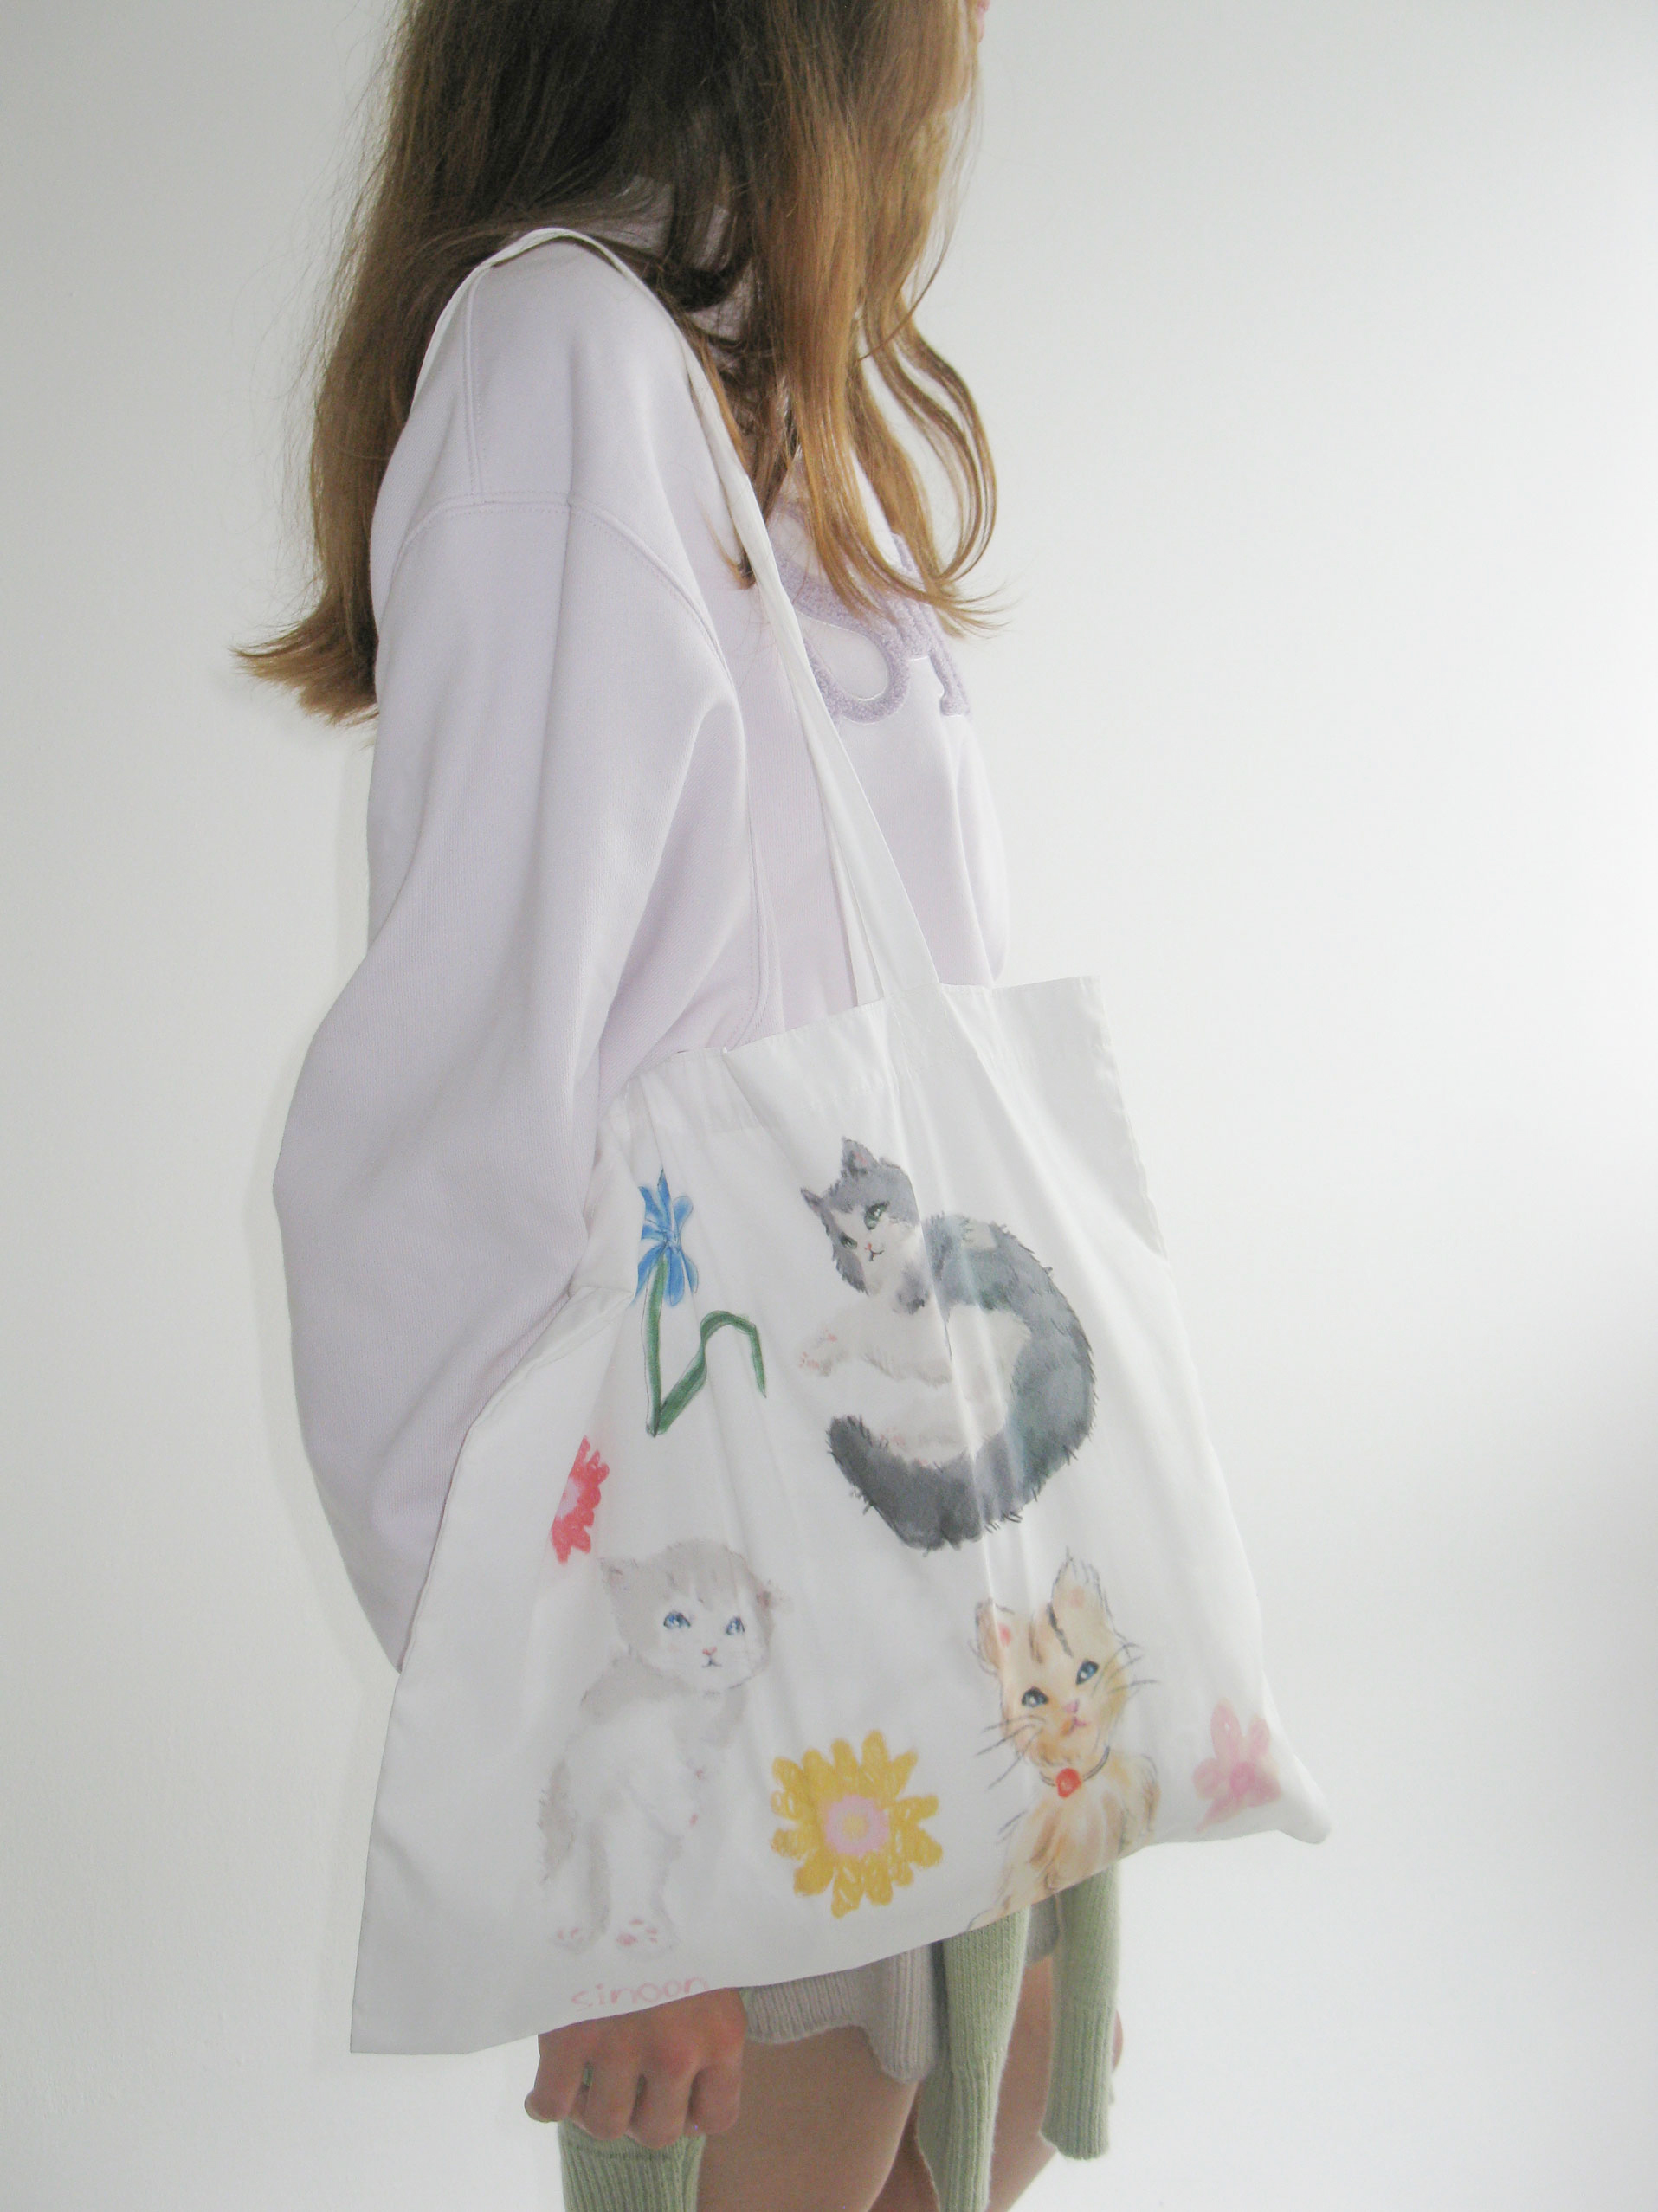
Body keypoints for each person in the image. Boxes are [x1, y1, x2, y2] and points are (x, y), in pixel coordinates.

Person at [245, 3, 1122, 2206]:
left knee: (981, 2146)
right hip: (749, 1631)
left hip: (952, 1594)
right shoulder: (568, 369)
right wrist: (586, 1859)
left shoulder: (739, 389)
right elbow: (448, 1151)